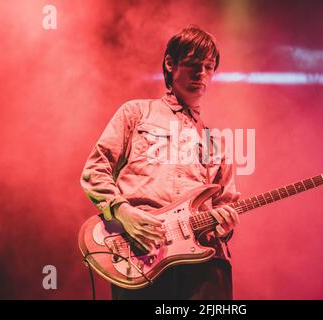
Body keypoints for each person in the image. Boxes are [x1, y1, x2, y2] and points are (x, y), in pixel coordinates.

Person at [80, 26, 240, 300]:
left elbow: (225, 203)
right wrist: (123, 212)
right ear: (170, 63)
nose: (201, 73)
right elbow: (95, 170)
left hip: (203, 263)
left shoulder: (216, 140)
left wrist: (225, 227)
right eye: (192, 64)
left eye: (208, 66)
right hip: (141, 252)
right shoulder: (136, 112)